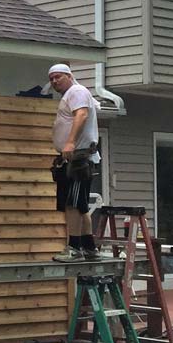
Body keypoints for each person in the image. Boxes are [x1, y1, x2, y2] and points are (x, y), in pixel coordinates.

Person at [47, 63, 104, 262]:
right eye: (52, 78)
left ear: (69, 76)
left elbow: (81, 114)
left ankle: (74, 248)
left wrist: (70, 142)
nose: (54, 81)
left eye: (58, 77)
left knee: (72, 204)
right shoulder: (72, 94)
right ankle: (89, 247)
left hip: (78, 159)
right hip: (74, 159)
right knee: (79, 205)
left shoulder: (77, 91)